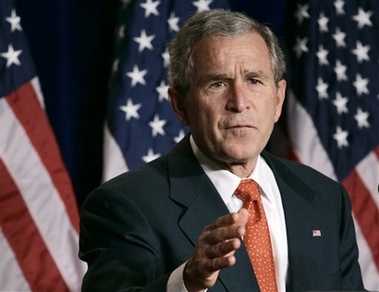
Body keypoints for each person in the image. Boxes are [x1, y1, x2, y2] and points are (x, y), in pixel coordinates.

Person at [79, 9, 366, 292]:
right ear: (180, 105)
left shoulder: (325, 197)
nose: (239, 102)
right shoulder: (126, 205)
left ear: (278, 99)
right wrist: (187, 282)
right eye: (218, 83)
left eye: (254, 80)